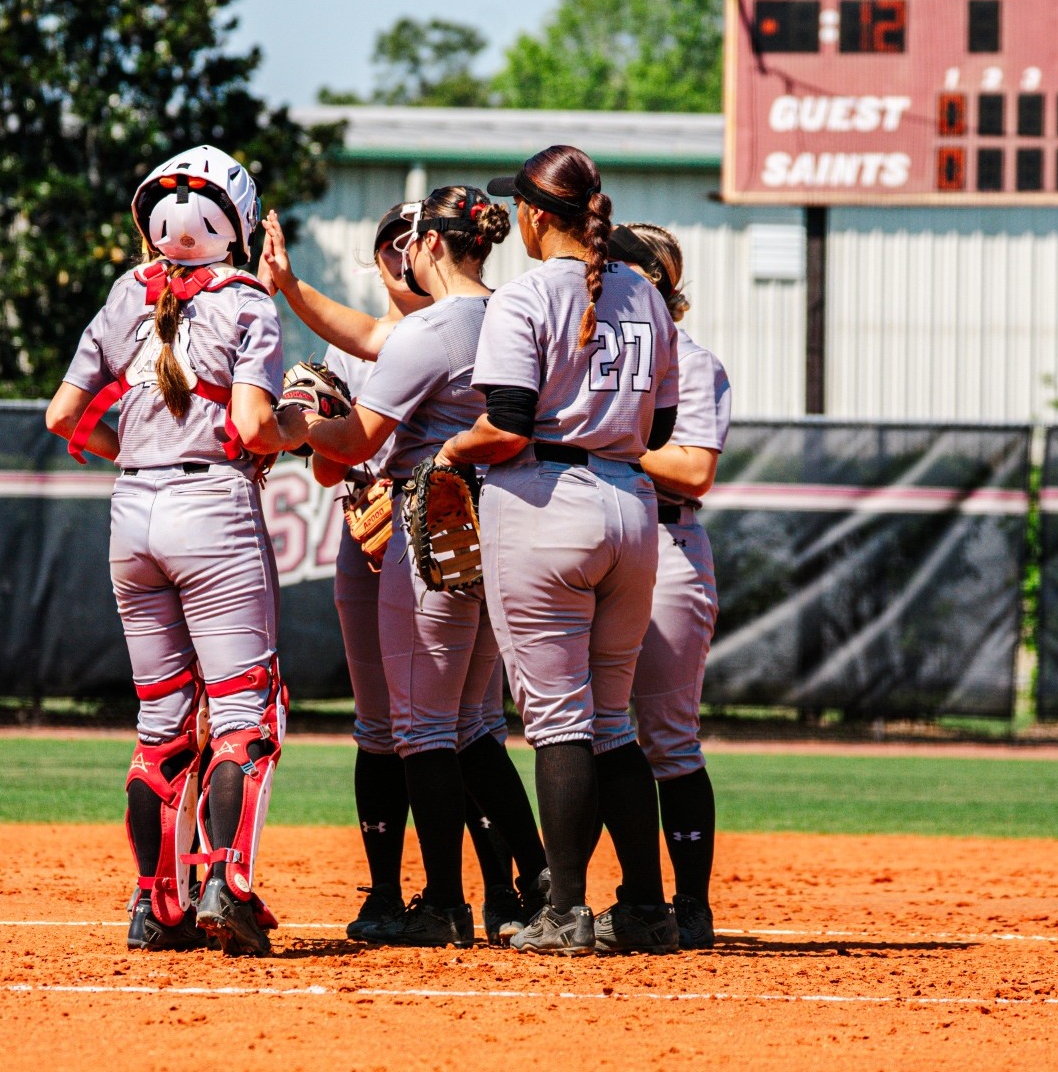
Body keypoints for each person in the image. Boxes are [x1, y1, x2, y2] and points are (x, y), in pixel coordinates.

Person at [43, 145, 309, 957]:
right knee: (245, 714)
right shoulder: (249, 302)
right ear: (234, 223)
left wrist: (125, 443)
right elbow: (260, 428)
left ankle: (155, 905)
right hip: (212, 506)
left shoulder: (127, 292)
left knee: (161, 724)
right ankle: (226, 882)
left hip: (134, 510)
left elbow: (62, 416)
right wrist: (301, 426)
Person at [266, 199, 547, 945]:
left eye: (406, 243)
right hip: (508, 524)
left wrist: (290, 430)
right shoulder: (517, 313)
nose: (398, 257)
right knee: (475, 723)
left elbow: (353, 443)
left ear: (425, 246)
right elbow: (365, 337)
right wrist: (291, 289)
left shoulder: (429, 330)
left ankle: (446, 904)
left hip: (432, 523)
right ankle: (533, 882)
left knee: (425, 726)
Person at [438, 145, 680, 955]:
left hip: (545, 504)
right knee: (613, 719)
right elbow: (663, 431)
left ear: (538, 216)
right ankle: (646, 908)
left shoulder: (524, 296)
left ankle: (566, 910)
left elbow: (505, 428)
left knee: (558, 719)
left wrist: (445, 456)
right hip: (633, 508)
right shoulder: (645, 292)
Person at [609, 223, 729, 951]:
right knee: (589, 729)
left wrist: (613, 444)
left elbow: (693, 472)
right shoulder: (588, 361)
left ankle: (690, 905)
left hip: (667, 541)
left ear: (651, 281)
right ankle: (625, 896)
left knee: (668, 738)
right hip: (600, 542)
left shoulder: (693, 361)